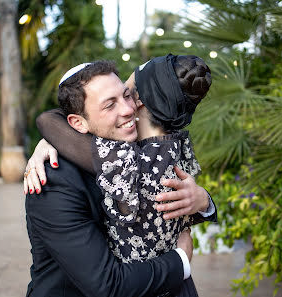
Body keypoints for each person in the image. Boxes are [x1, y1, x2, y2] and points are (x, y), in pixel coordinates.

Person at [25, 59, 215, 297]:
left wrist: (202, 200)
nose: (128, 109)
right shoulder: (53, 181)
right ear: (76, 123)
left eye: (127, 95)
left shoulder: (141, 147)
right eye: (109, 105)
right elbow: (106, 284)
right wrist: (180, 261)